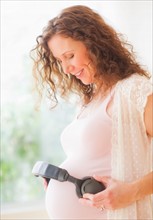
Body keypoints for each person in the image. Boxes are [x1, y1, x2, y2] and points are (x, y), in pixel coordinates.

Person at [31, 5, 153, 220]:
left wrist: (131, 192)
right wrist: (62, 181)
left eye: (69, 55)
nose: (66, 68)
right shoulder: (88, 101)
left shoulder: (134, 91)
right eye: (60, 61)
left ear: (94, 44)